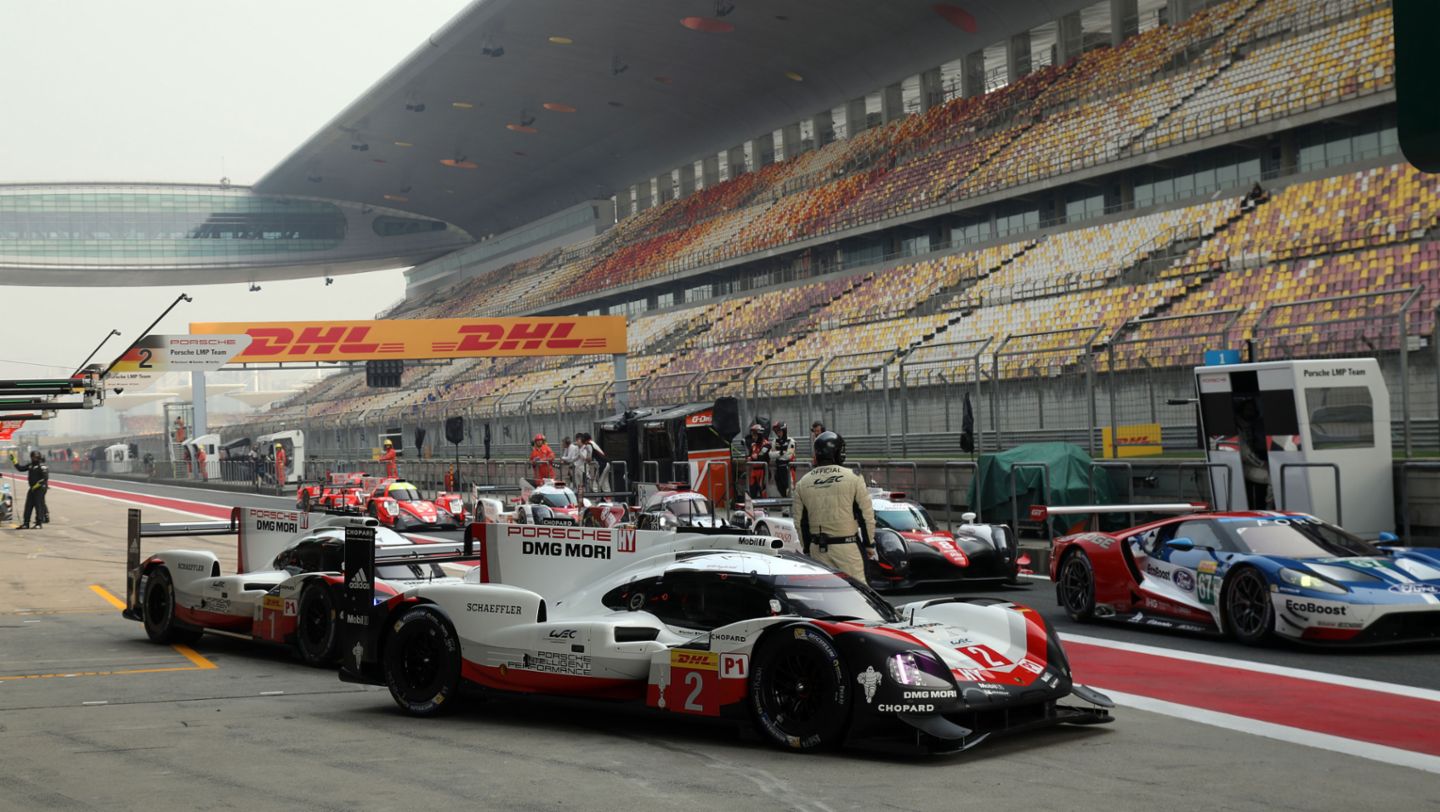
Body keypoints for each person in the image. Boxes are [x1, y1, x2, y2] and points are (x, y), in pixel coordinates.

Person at [792, 432, 875, 582]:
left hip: (817, 550)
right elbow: (866, 515)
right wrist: (869, 545)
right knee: (859, 595)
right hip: (848, 548)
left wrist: (807, 549)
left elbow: (800, 522)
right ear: (836, 452)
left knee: (825, 597)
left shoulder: (802, 483)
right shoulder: (854, 477)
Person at [1235, 399, 1271, 510]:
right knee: (1274, 477)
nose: (1252, 412)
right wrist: (1264, 464)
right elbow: (1247, 454)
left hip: (1253, 462)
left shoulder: (1252, 425)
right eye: (1249, 409)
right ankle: (1269, 509)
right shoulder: (1238, 428)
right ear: (1242, 410)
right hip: (1241, 465)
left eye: (1254, 409)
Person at [12, 451, 49, 529]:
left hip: (40, 488)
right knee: (28, 505)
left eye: (35, 457)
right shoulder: (30, 465)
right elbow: (20, 468)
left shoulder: (42, 467)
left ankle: (39, 523)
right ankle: (26, 523)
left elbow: (44, 479)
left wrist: (36, 486)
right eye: (32, 457)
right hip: (32, 488)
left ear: (39, 457)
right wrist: (14, 461)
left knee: (38, 505)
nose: (34, 459)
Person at [769, 421, 796, 498]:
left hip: (788, 468)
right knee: (780, 488)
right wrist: (780, 453)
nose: (778, 433)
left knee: (790, 489)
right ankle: (785, 508)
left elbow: (788, 456)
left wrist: (777, 454)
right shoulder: (775, 441)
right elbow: (770, 455)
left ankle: (791, 508)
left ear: (784, 430)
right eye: (776, 431)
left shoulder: (791, 441)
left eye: (779, 431)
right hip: (778, 469)